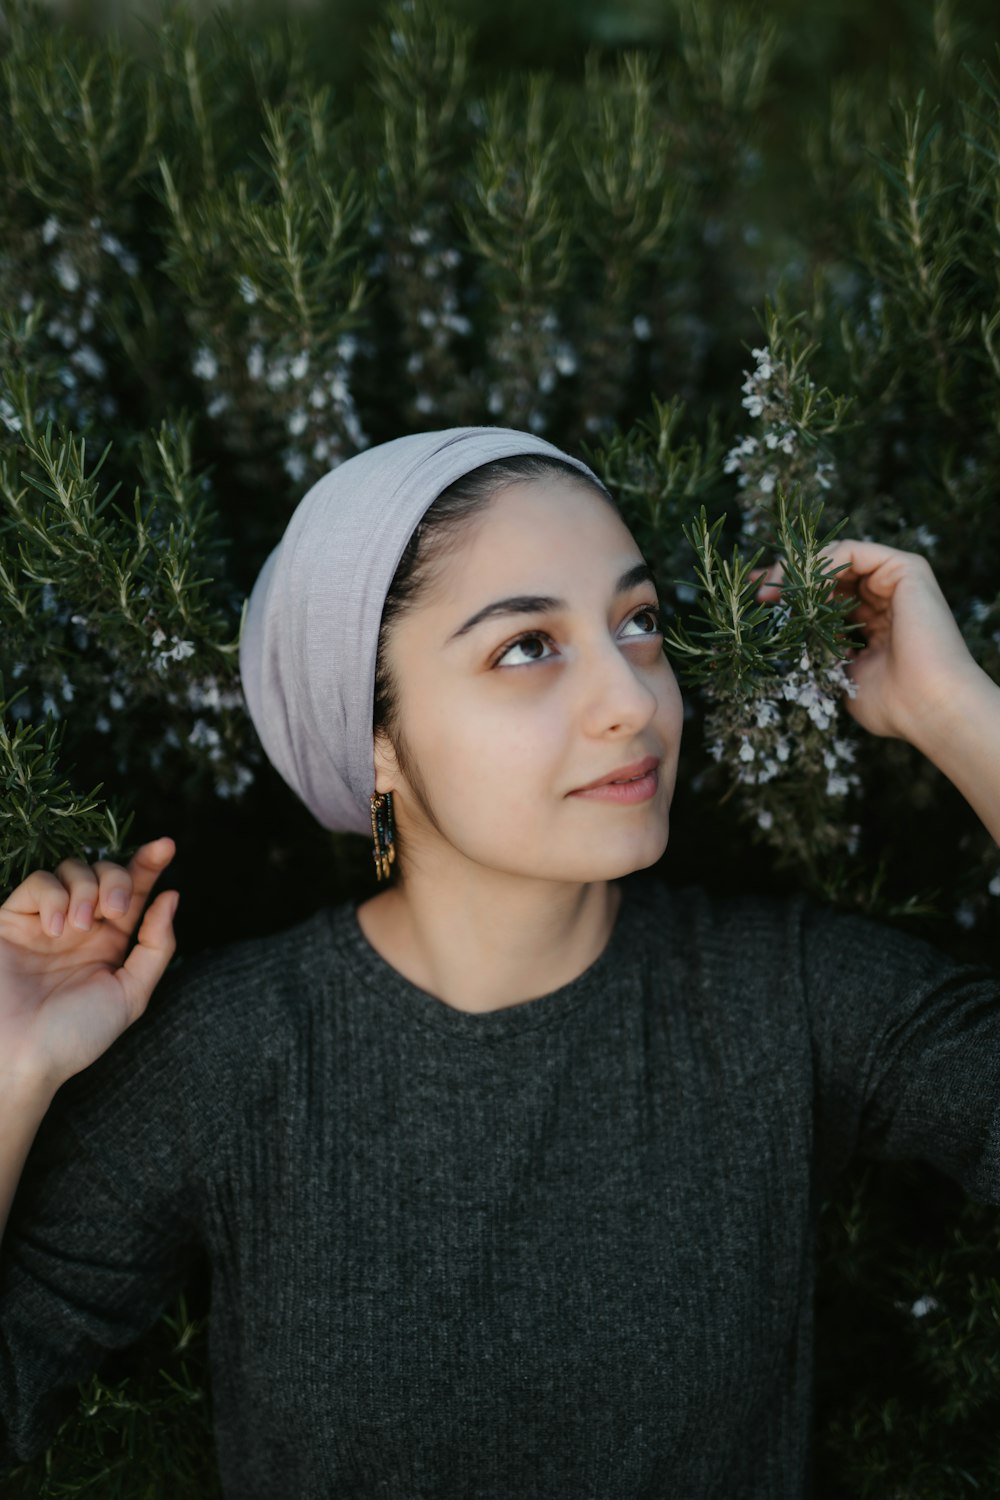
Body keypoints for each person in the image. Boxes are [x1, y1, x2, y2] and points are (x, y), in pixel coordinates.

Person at [0, 426, 998, 1499]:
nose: (632, 699)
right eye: (526, 646)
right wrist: (11, 1068)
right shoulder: (231, 1056)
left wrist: (958, 713)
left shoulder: (788, 999)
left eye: (640, 623)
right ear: (376, 737)